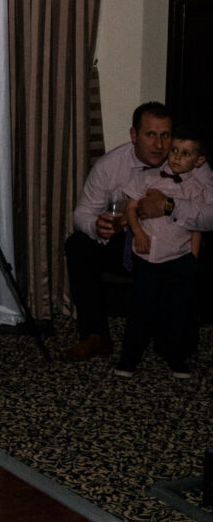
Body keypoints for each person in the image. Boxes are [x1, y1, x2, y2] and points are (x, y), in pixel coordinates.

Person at [63, 102, 173, 361]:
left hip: (171, 246)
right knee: (78, 244)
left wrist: (168, 206)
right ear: (134, 135)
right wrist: (96, 225)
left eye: (165, 135)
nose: (159, 144)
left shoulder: (186, 162)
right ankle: (95, 335)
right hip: (127, 245)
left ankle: (172, 333)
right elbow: (82, 212)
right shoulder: (111, 165)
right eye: (150, 135)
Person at [115, 127, 208, 378]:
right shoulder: (147, 178)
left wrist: (193, 260)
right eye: (175, 150)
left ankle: (175, 356)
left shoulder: (197, 189)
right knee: (141, 310)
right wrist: (139, 234)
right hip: (147, 257)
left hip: (179, 260)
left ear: (198, 160)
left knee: (175, 311)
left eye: (186, 154)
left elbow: (196, 227)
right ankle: (129, 358)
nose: (177, 157)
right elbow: (131, 209)